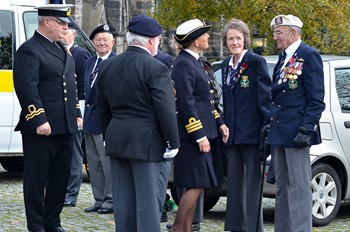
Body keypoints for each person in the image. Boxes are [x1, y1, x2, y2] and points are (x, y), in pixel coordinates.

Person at [95, 14, 180, 232]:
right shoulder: (156, 68)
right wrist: (173, 141)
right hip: (148, 143)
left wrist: (107, 136)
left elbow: (102, 107)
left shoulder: (108, 66)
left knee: (123, 204)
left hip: (117, 139)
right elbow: (166, 111)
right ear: (152, 40)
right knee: (148, 204)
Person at [13, 4, 82, 232]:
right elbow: (26, 88)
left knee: (61, 178)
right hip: (42, 126)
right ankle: (36, 225)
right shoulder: (29, 49)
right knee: (36, 180)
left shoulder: (62, 49)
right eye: (62, 23)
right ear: (47, 22)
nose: (66, 28)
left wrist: (77, 113)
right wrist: (38, 118)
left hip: (65, 125)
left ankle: (52, 221)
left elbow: (70, 85)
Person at [267, 14, 325, 232]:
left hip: (297, 132)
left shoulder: (308, 55)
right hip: (280, 131)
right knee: (282, 187)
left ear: (293, 33)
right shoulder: (283, 58)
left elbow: (316, 98)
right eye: (275, 32)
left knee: (299, 188)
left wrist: (306, 129)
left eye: (278, 33)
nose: (275, 37)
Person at [170, 18, 229, 232]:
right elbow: (185, 103)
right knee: (196, 183)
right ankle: (179, 228)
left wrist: (219, 122)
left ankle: (185, 228)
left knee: (200, 183)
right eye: (203, 35)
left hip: (205, 132)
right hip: (192, 136)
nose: (207, 38)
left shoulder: (195, 62)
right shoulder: (183, 64)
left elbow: (206, 100)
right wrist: (199, 135)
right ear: (195, 41)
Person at [220, 18, 271, 232]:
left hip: (252, 131)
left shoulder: (255, 62)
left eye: (238, 38)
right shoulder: (225, 65)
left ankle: (253, 227)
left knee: (252, 184)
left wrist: (266, 127)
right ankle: (235, 226)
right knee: (234, 182)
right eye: (230, 38)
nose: (234, 42)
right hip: (232, 133)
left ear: (245, 40)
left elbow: (265, 97)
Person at [83, 24, 116, 214]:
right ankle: (99, 198)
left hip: (106, 122)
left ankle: (111, 199)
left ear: (112, 42)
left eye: (106, 39)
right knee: (93, 164)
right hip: (90, 120)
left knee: (107, 163)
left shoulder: (115, 61)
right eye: (98, 39)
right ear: (93, 42)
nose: (102, 42)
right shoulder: (90, 62)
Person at [61, 23, 91, 207]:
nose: (62, 35)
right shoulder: (59, 51)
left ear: (73, 35)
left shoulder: (80, 54)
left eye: (65, 32)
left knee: (74, 151)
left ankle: (71, 193)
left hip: (77, 106)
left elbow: (82, 85)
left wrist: (79, 111)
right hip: (63, 108)